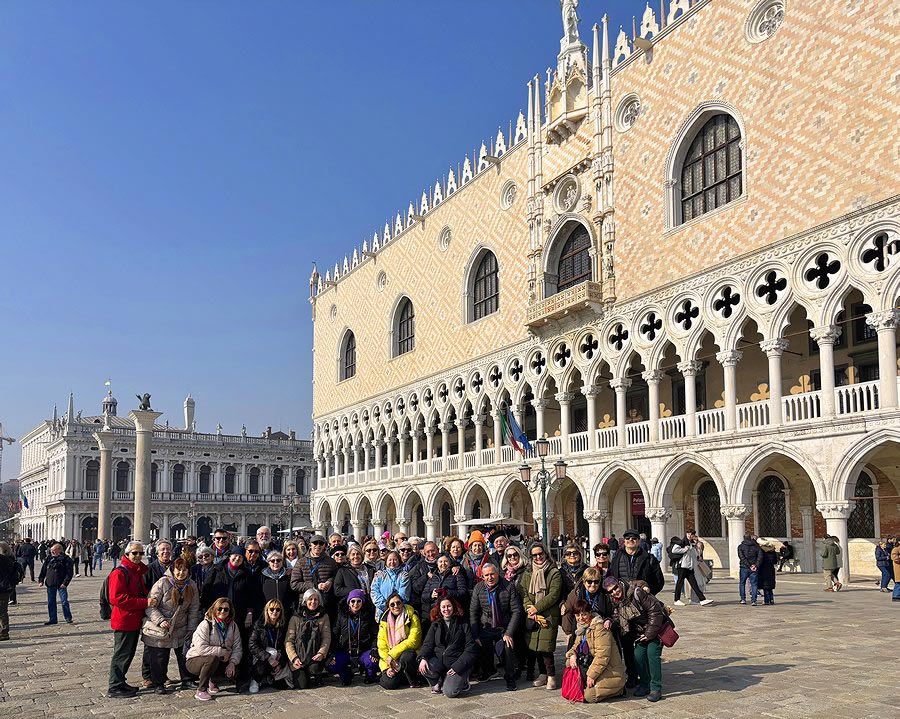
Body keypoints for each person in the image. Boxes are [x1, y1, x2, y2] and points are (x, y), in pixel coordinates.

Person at [202, 546, 263, 692]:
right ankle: (214, 678)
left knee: (237, 644)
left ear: (243, 559)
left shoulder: (246, 573)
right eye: (235, 556)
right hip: (218, 614)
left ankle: (236, 675)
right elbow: (206, 590)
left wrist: (249, 613)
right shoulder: (217, 570)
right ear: (230, 557)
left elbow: (252, 596)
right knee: (217, 643)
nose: (237, 559)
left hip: (238, 615)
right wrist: (207, 611)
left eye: (240, 557)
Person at [603, 576, 668, 702]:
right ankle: (644, 684)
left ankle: (655, 687)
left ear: (619, 583)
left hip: (655, 629)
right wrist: (609, 620)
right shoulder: (616, 602)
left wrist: (649, 633)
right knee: (638, 656)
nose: (615, 592)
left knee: (652, 655)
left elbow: (655, 612)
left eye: (615, 588)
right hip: (640, 634)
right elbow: (617, 617)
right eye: (610, 591)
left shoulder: (637, 592)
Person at [142, 557, 201, 693]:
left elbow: (193, 609)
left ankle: (187, 679)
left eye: (184, 570)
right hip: (161, 628)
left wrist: (191, 629)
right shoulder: (162, 583)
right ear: (173, 570)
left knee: (184, 654)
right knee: (159, 658)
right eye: (178, 570)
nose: (181, 573)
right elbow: (150, 606)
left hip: (181, 626)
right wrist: (160, 620)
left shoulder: (191, 585)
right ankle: (159, 683)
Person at [107, 542, 158, 698]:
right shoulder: (120, 573)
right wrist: (145, 603)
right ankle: (115, 686)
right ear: (127, 554)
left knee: (128, 654)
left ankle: (120, 681)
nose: (138, 556)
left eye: (141, 553)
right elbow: (117, 598)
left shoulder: (135, 571)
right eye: (134, 553)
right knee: (122, 653)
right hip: (124, 620)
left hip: (133, 619)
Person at [469, 561, 522, 690]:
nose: (490, 578)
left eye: (492, 574)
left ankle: (510, 677)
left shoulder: (508, 586)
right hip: (486, 626)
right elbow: (473, 612)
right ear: (482, 577)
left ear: (498, 574)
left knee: (507, 647)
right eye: (486, 575)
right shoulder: (478, 588)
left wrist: (509, 633)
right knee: (477, 643)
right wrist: (475, 634)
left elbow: (516, 610)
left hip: (503, 626)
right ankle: (488, 671)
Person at [564, 600, 626, 703]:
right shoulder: (582, 628)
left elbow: (603, 655)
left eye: (583, 615)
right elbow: (575, 646)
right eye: (577, 616)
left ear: (589, 613)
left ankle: (619, 689)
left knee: (589, 696)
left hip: (609, 669)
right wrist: (572, 655)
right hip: (593, 665)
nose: (580, 618)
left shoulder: (599, 628)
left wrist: (592, 675)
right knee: (569, 662)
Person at [519, 541, 562, 690]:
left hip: (549, 614)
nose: (538, 557)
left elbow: (553, 595)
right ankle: (542, 674)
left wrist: (536, 608)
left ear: (546, 554)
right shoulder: (528, 573)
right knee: (536, 645)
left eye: (540, 554)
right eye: (535, 555)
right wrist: (529, 608)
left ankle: (551, 675)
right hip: (532, 614)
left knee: (546, 647)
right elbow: (524, 592)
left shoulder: (554, 572)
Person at [417, 596, 477, 697]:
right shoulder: (436, 624)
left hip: (458, 663)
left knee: (449, 692)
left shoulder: (463, 623)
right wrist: (423, 658)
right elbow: (427, 644)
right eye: (443, 607)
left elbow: (470, 648)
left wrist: (457, 667)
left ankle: (463, 681)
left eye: (449, 606)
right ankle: (439, 681)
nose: (446, 609)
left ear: (453, 607)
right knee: (423, 666)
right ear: (439, 609)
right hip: (440, 662)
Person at [186, 597, 242, 701]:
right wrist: (222, 651)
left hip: (221, 659)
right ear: (214, 609)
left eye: (226, 609)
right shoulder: (206, 624)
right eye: (220, 608)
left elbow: (237, 648)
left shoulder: (233, 626)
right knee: (212, 659)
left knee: (236, 671)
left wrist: (232, 663)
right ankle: (201, 690)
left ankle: (212, 680)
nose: (222, 611)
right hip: (196, 659)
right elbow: (201, 648)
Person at [327, 589, 379, 685]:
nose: (356, 604)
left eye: (359, 601)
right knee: (332, 664)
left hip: (363, 650)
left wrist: (374, 649)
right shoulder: (342, 616)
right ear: (348, 603)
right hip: (346, 650)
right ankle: (346, 674)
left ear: (362, 602)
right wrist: (332, 653)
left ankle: (370, 675)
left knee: (372, 661)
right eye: (353, 601)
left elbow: (375, 634)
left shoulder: (367, 615)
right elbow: (334, 634)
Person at [286, 588, 331, 689]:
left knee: (314, 669)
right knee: (303, 685)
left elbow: (326, 638)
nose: (313, 602)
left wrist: (321, 653)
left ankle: (315, 673)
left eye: (316, 599)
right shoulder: (295, 618)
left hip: (314, 654)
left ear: (319, 601)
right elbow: (289, 641)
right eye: (310, 599)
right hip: (298, 656)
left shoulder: (324, 617)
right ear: (305, 601)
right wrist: (294, 658)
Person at [377, 591, 423, 689]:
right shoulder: (384, 620)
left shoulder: (412, 616)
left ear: (402, 603)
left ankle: (412, 678)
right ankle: (399, 676)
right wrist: (387, 666)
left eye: (398, 603)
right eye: (392, 604)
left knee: (407, 656)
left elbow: (414, 641)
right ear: (389, 607)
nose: (396, 606)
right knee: (389, 684)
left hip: (407, 655)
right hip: (390, 660)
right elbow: (382, 645)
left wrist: (392, 654)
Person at [562, 566, 614, 649]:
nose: (593, 585)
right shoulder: (576, 594)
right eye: (589, 582)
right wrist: (569, 633)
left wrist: (608, 619)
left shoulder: (605, 595)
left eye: (596, 582)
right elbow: (567, 610)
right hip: (581, 630)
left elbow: (611, 613)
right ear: (584, 582)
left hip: (599, 633)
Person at [290, 534, 338, 620]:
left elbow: (337, 577)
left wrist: (330, 582)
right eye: (315, 543)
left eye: (321, 543)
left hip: (325, 603)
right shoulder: (301, 562)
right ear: (310, 545)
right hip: (306, 604)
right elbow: (294, 584)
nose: (318, 546)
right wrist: (314, 586)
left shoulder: (331, 562)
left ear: (324, 546)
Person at [248, 599, 289, 693]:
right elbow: (252, 645)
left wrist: (281, 662)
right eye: (272, 609)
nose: (274, 612)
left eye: (277, 609)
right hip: (261, 657)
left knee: (282, 686)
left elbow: (285, 645)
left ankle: (270, 677)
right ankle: (255, 680)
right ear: (267, 610)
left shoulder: (282, 626)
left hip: (277, 656)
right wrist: (268, 657)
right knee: (263, 663)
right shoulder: (259, 624)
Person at [608, 529, 665, 596]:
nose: (630, 540)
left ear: (639, 541)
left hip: (642, 599)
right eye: (627, 538)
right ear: (624, 541)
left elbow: (659, 581)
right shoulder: (616, 558)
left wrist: (649, 591)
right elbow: (611, 577)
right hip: (622, 598)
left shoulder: (649, 558)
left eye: (634, 538)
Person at [421, 553, 466, 627]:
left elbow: (463, 592)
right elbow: (423, 596)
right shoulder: (433, 577)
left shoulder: (456, 574)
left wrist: (447, 593)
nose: (443, 564)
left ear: (449, 563)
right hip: (434, 613)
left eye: (446, 561)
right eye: (440, 562)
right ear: (437, 564)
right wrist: (431, 595)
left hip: (451, 612)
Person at [38, 542, 74, 625]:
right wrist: (41, 580)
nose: (52, 553)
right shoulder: (49, 558)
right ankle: (53, 619)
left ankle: (68, 617)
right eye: (51, 551)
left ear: (59, 550)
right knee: (51, 602)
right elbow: (43, 569)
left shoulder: (66, 559)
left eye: (53, 551)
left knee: (64, 601)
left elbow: (69, 573)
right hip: (50, 583)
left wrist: (65, 583)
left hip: (61, 584)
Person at [671, 537, 713, 606]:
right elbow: (674, 550)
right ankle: (676, 599)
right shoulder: (684, 545)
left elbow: (694, 557)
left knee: (694, 584)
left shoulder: (692, 547)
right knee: (679, 583)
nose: (695, 541)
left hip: (689, 568)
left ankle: (702, 599)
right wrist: (685, 549)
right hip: (683, 567)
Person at [371, 550, 410, 616]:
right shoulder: (379, 575)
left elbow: (404, 595)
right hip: (382, 612)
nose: (392, 562)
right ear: (386, 561)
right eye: (390, 560)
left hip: (399, 612)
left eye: (395, 560)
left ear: (399, 561)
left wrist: (395, 606)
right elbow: (374, 592)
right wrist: (386, 606)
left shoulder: (404, 575)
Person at [408, 541, 440, 616]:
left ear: (438, 550)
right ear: (424, 553)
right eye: (428, 552)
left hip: (441, 606)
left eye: (433, 551)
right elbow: (415, 587)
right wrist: (425, 576)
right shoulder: (419, 567)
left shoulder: (444, 562)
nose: (431, 554)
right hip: (425, 607)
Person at [0, 542, 20, 641]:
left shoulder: (4, 560)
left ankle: (4, 633)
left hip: (3, 588)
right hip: (6, 588)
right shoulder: (7, 559)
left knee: (2, 611)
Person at [737, 533, 763, 605]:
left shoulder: (741, 547)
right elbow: (760, 557)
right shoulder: (756, 546)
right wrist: (755, 565)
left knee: (742, 583)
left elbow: (741, 557)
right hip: (753, 568)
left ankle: (743, 599)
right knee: (754, 584)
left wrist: (749, 566)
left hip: (744, 567)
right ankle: (754, 600)